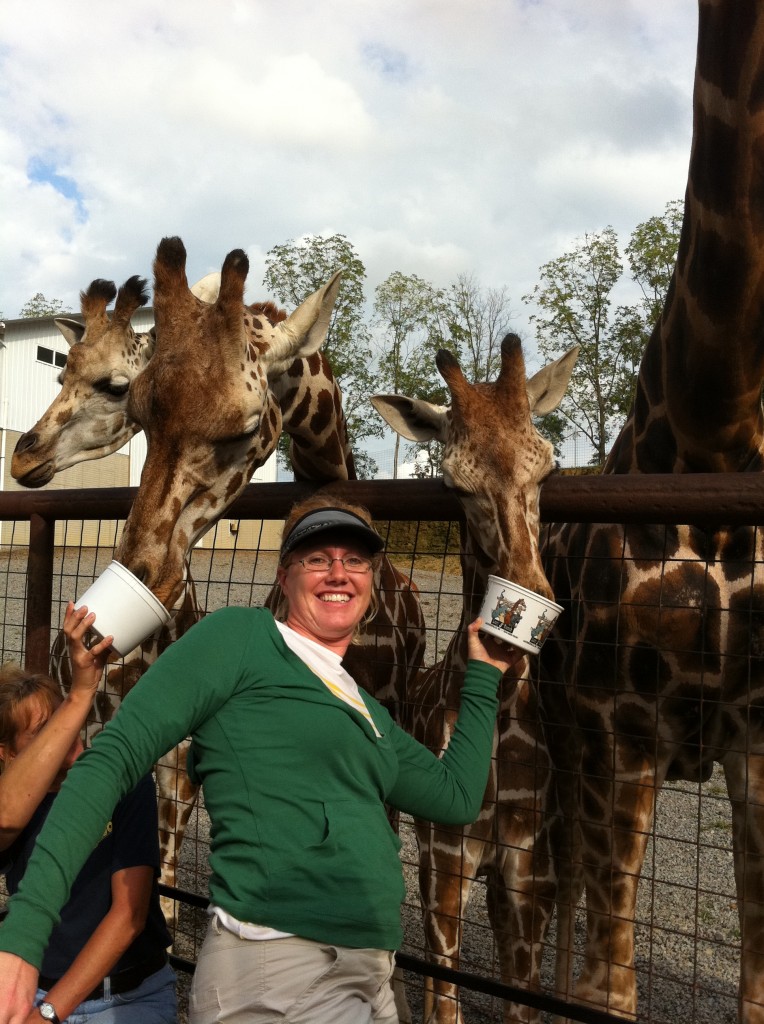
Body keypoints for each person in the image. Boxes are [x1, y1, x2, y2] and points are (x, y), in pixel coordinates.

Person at [0, 496, 523, 1024]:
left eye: (356, 560)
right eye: (316, 558)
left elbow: (455, 797)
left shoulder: (366, 710)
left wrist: (486, 673)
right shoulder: (243, 639)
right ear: (284, 576)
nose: (338, 572)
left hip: (366, 972)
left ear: (373, 579)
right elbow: (111, 759)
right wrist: (22, 940)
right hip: (282, 968)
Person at [0, 605, 176, 1024]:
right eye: (39, 731)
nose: (60, 733)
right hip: (35, 987)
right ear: (6, 754)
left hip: (129, 998)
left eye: (61, 717)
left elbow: (128, 917)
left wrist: (47, 1013)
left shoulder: (122, 781)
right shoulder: (13, 806)